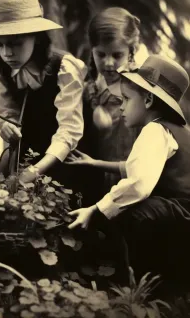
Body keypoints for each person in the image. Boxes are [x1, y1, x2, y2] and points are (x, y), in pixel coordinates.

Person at [68, 55, 190, 294]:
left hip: (180, 215)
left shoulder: (155, 130)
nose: (121, 106)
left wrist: (95, 210)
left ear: (147, 100)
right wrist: (96, 163)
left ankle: (146, 284)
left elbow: (139, 184)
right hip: (183, 214)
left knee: (134, 212)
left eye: (126, 99)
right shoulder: (175, 131)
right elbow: (140, 168)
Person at [0, 0, 87, 197]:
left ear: (37, 37)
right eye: (0, 45)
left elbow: (69, 131)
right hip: (24, 163)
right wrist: (7, 126)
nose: (7, 53)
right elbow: (9, 114)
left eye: (16, 44)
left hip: (65, 162)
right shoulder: (2, 71)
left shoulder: (65, 68)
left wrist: (34, 171)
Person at [82, 7, 142, 196]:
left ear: (131, 52)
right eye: (101, 54)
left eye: (117, 55)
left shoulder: (138, 89)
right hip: (94, 171)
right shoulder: (89, 86)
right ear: (92, 51)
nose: (108, 63)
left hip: (127, 172)